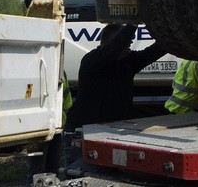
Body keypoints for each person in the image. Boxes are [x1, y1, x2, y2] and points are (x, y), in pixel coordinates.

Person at [64, 24, 166, 169]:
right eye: (126, 45)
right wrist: (134, 21)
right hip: (83, 133)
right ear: (110, 44)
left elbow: (156, 51)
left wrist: (167, 32)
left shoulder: (127, 61)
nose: (128, 48)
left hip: (110, 132)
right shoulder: (92, 60)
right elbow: (116, 47)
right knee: (80, 174)